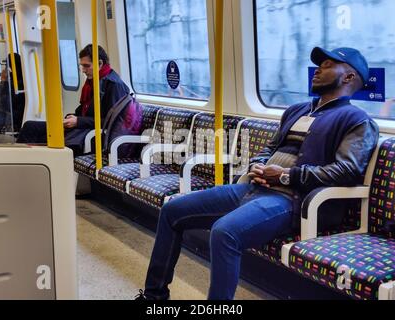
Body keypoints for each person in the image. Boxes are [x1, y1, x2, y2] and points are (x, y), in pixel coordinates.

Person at [135, 47, 380, 300]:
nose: (318, 69)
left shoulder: (357, 120)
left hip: (293, 200)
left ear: (349, 77)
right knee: (173, 210)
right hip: (254, 188)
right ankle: (154, 297)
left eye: (328, 64)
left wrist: (286, 176)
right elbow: (271, 148)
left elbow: (347, 171)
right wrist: (257, 165)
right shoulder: (296, 110)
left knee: (224, 232)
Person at [17, 44, 130, 156]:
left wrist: (78, 121)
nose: (83, 70)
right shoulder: (94, 82)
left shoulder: (114, 85)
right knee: (30, 127)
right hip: (84, 127)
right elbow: (85, 109)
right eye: (82, 66)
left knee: (44, 138)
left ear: (100, 63)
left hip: (95, 134)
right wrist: (72, 117)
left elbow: (113, 121)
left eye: (86, 66)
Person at [0, 53, 25, 132]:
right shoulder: (21, 78)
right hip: (11, 113)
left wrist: (3, 81)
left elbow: (5, 103)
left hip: (13, 117)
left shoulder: (17, 83)